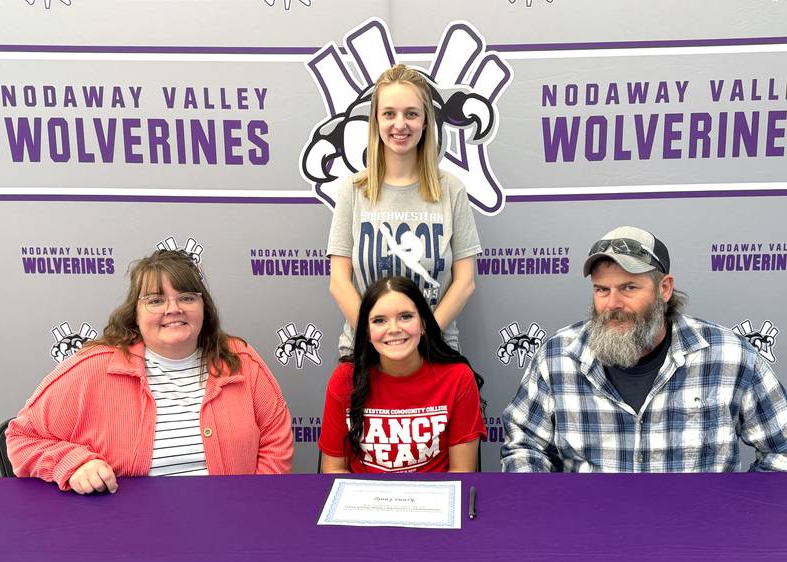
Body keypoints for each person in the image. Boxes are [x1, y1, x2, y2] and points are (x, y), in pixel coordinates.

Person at [501, 226, 787, 473]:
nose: (612, 304)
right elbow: (523, 446)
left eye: (629, 288)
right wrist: (550, 510)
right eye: (602, 290)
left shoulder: (730, 357)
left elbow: (782, 449)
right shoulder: (557, 358)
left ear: (664, 289)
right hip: (589, 530)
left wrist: (740, 510)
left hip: (697, 533)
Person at [7, 250, 293, 493]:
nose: (173, 309)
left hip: (232, 526)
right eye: (156, 300)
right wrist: (74, 463)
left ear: (203, 306)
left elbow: (275, 439)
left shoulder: (240, 361)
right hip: (126, 532)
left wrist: (256, 501)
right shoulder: (93, 367)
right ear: (136, 313)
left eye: (187, 298)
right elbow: (22, 438)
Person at [327, 63, 482, 355]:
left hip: (434, 350)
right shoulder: (353, 190)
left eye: (411, 113)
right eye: (389, 114)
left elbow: (464, 281)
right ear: (376, 120)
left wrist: (419, 338)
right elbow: (339, 282)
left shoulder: (451, 189)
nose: (400, 124)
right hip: (365, 352)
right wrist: (379, 339)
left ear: (425, 121)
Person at [319, 276, 486, 473]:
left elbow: (462, 473)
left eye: (406, 316)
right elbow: (333, 471)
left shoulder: (458, 378)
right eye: (379, 320)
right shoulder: (345, 379)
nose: (394, 329)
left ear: (423, 323)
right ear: (366, 332)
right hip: (364, 501)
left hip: (433, 500)